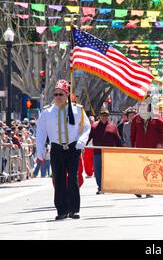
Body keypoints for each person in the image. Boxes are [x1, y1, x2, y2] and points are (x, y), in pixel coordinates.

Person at [36, 79, 91, 221]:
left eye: (61, 94)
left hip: (73, 147)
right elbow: (41, 132)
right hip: (57, 149)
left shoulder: (77, 109)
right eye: (56, 94)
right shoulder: (47, 112)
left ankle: (74, 210)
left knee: (73, 178)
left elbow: (86, 127)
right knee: (58, 179)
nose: (58, 97)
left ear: (67, 94)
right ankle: (62, 210)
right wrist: (40, 151)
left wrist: (82, 141)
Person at [131, 95, 163, 198]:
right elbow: (132, 134)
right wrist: (132, 147)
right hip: (140, 148)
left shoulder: (156, 117)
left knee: (150, 170)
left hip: (152, 149)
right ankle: (138, 188)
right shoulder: (136, 119)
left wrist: (160, 142)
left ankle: (148, 190)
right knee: (139, 169)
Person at [87, 107, 122, 194]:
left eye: (106, 115)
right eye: (102, 115)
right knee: (98, 171)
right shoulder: (94, 126)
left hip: (109, 153)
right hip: (97, 153)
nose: (104, 117)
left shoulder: (113, 126)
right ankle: (100, 188)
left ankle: (109, 187)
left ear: (108, 116)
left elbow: (118, 140)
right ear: (99, 116)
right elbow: (88, 137)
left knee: (109, 171)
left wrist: (120, 150)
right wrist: (83, 145)